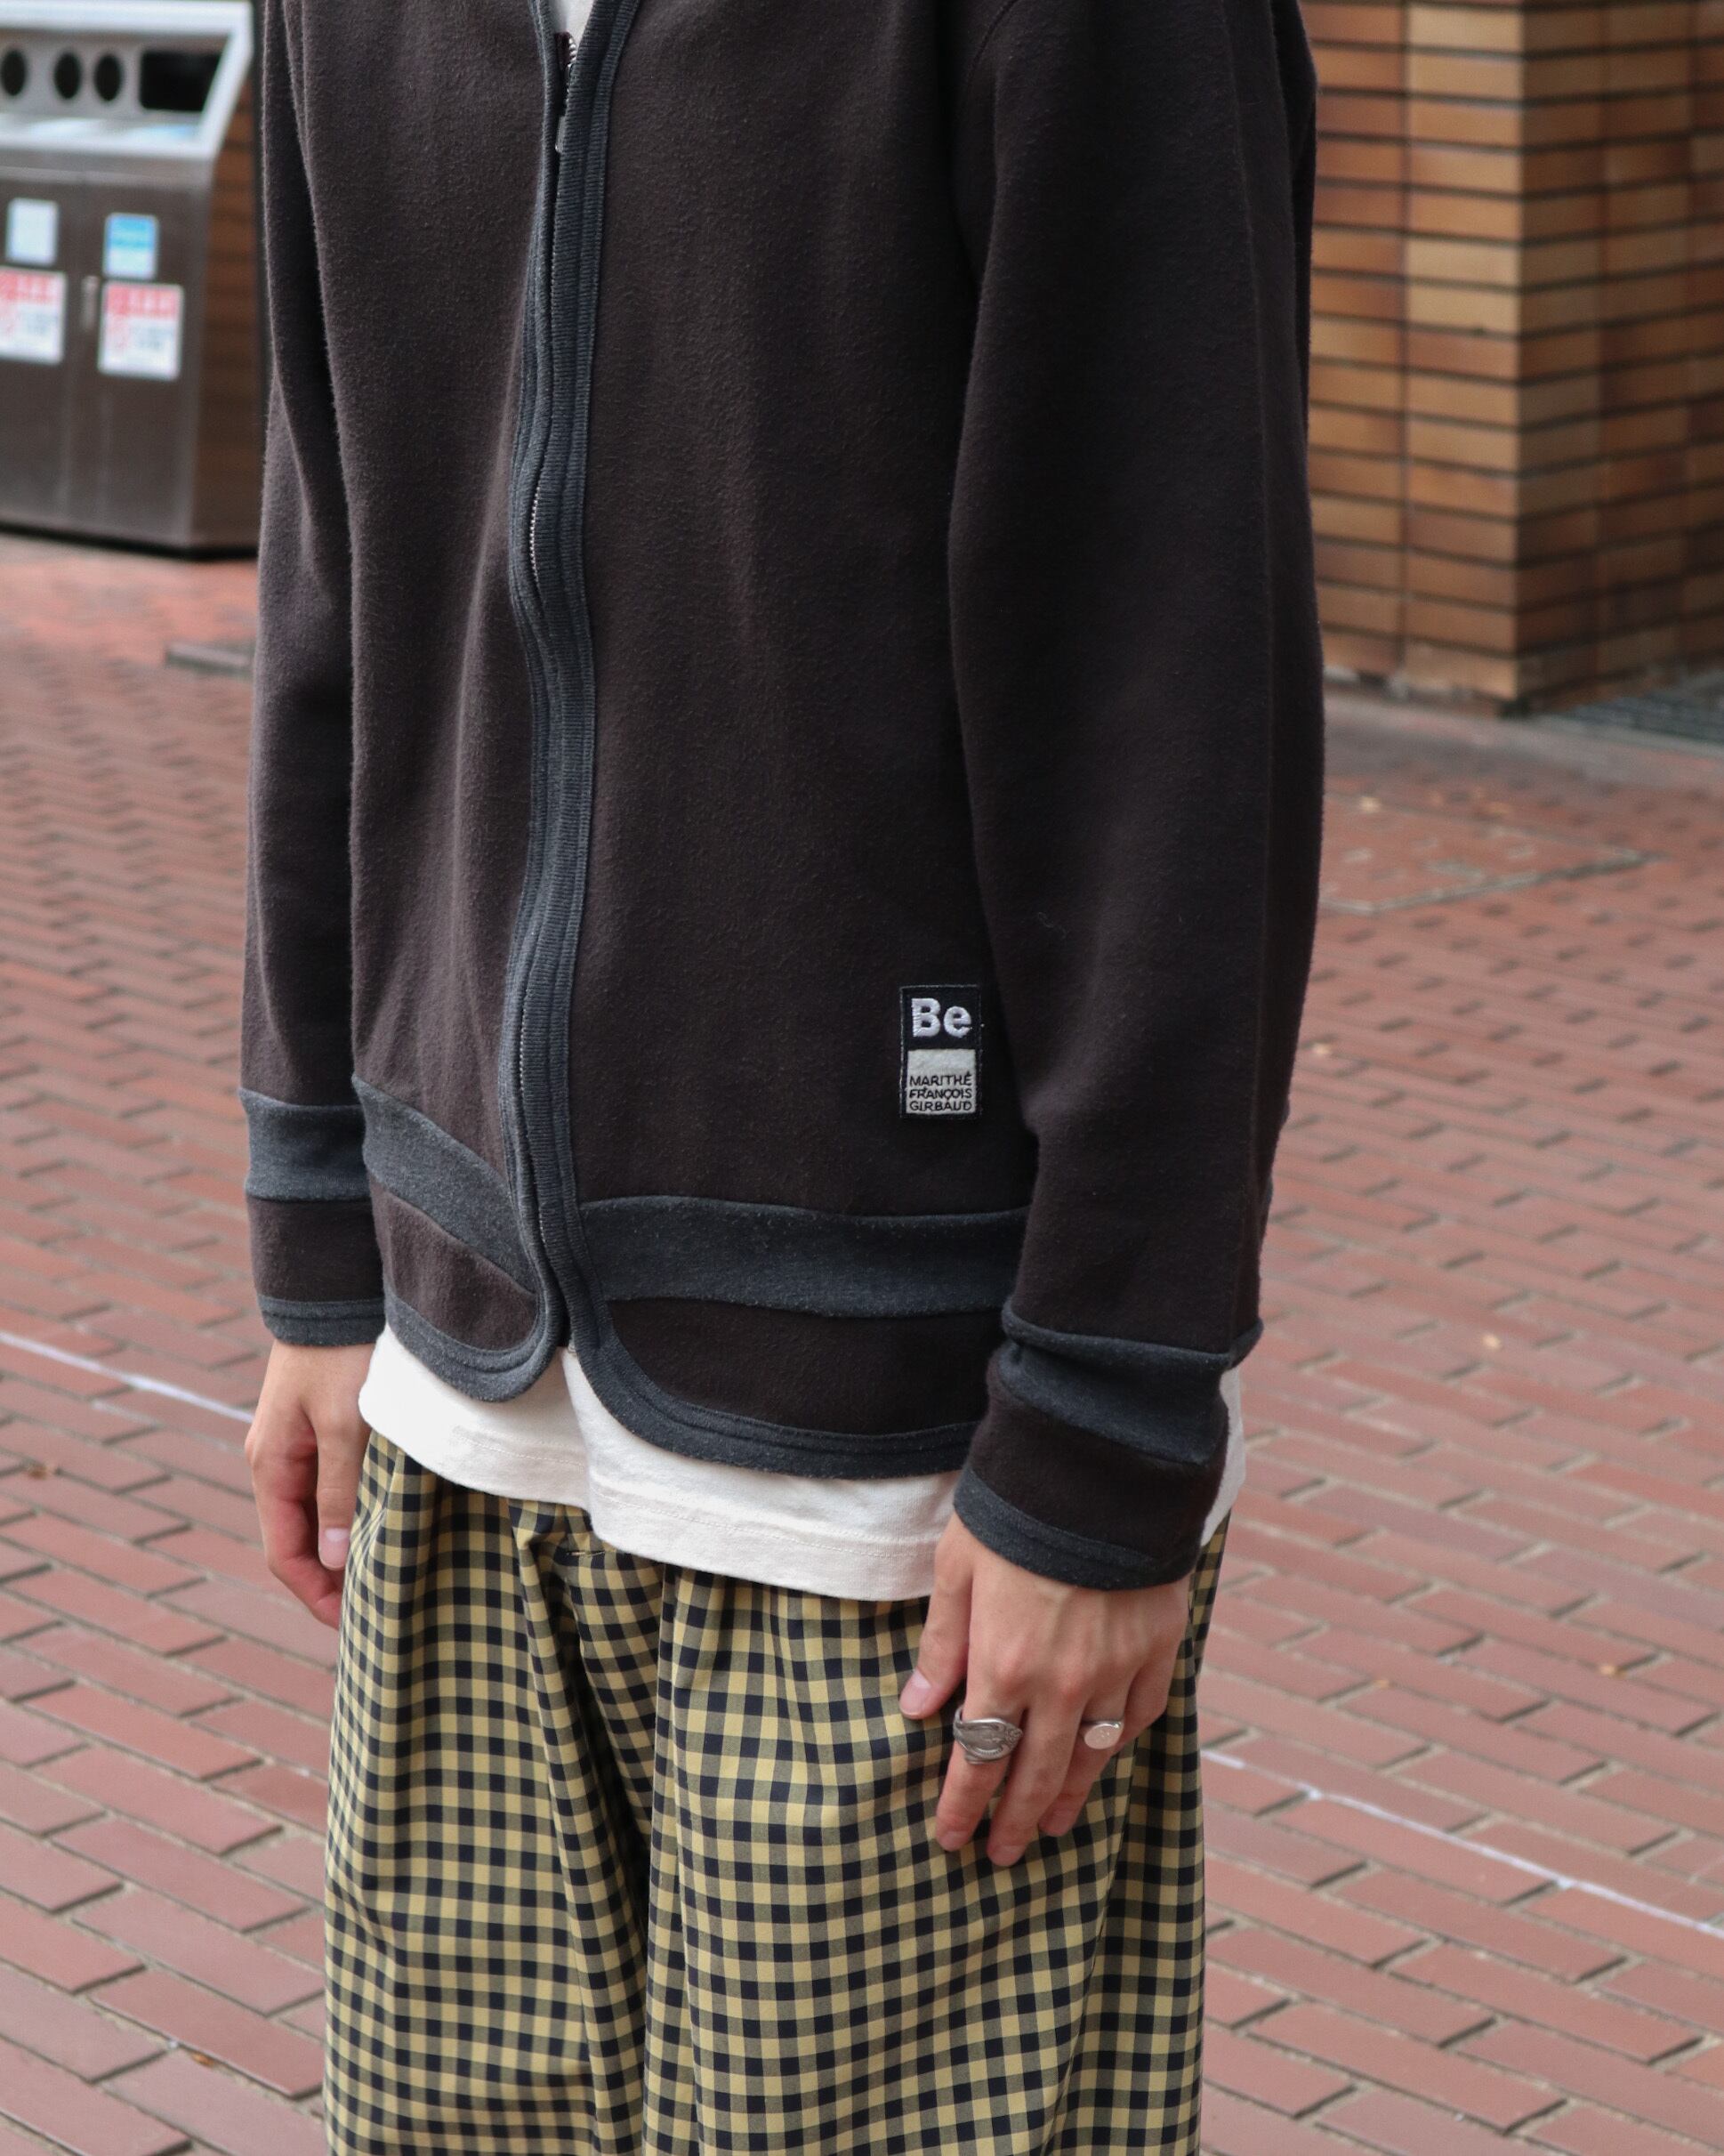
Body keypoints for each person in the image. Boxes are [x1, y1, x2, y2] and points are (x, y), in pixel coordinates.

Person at [240, 0, 1324, 2147]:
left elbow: (1174, 692)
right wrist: (317, 1239)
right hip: (457, 1415)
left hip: (898, 1489)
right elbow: (335, 573)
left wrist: (1107, 1431)